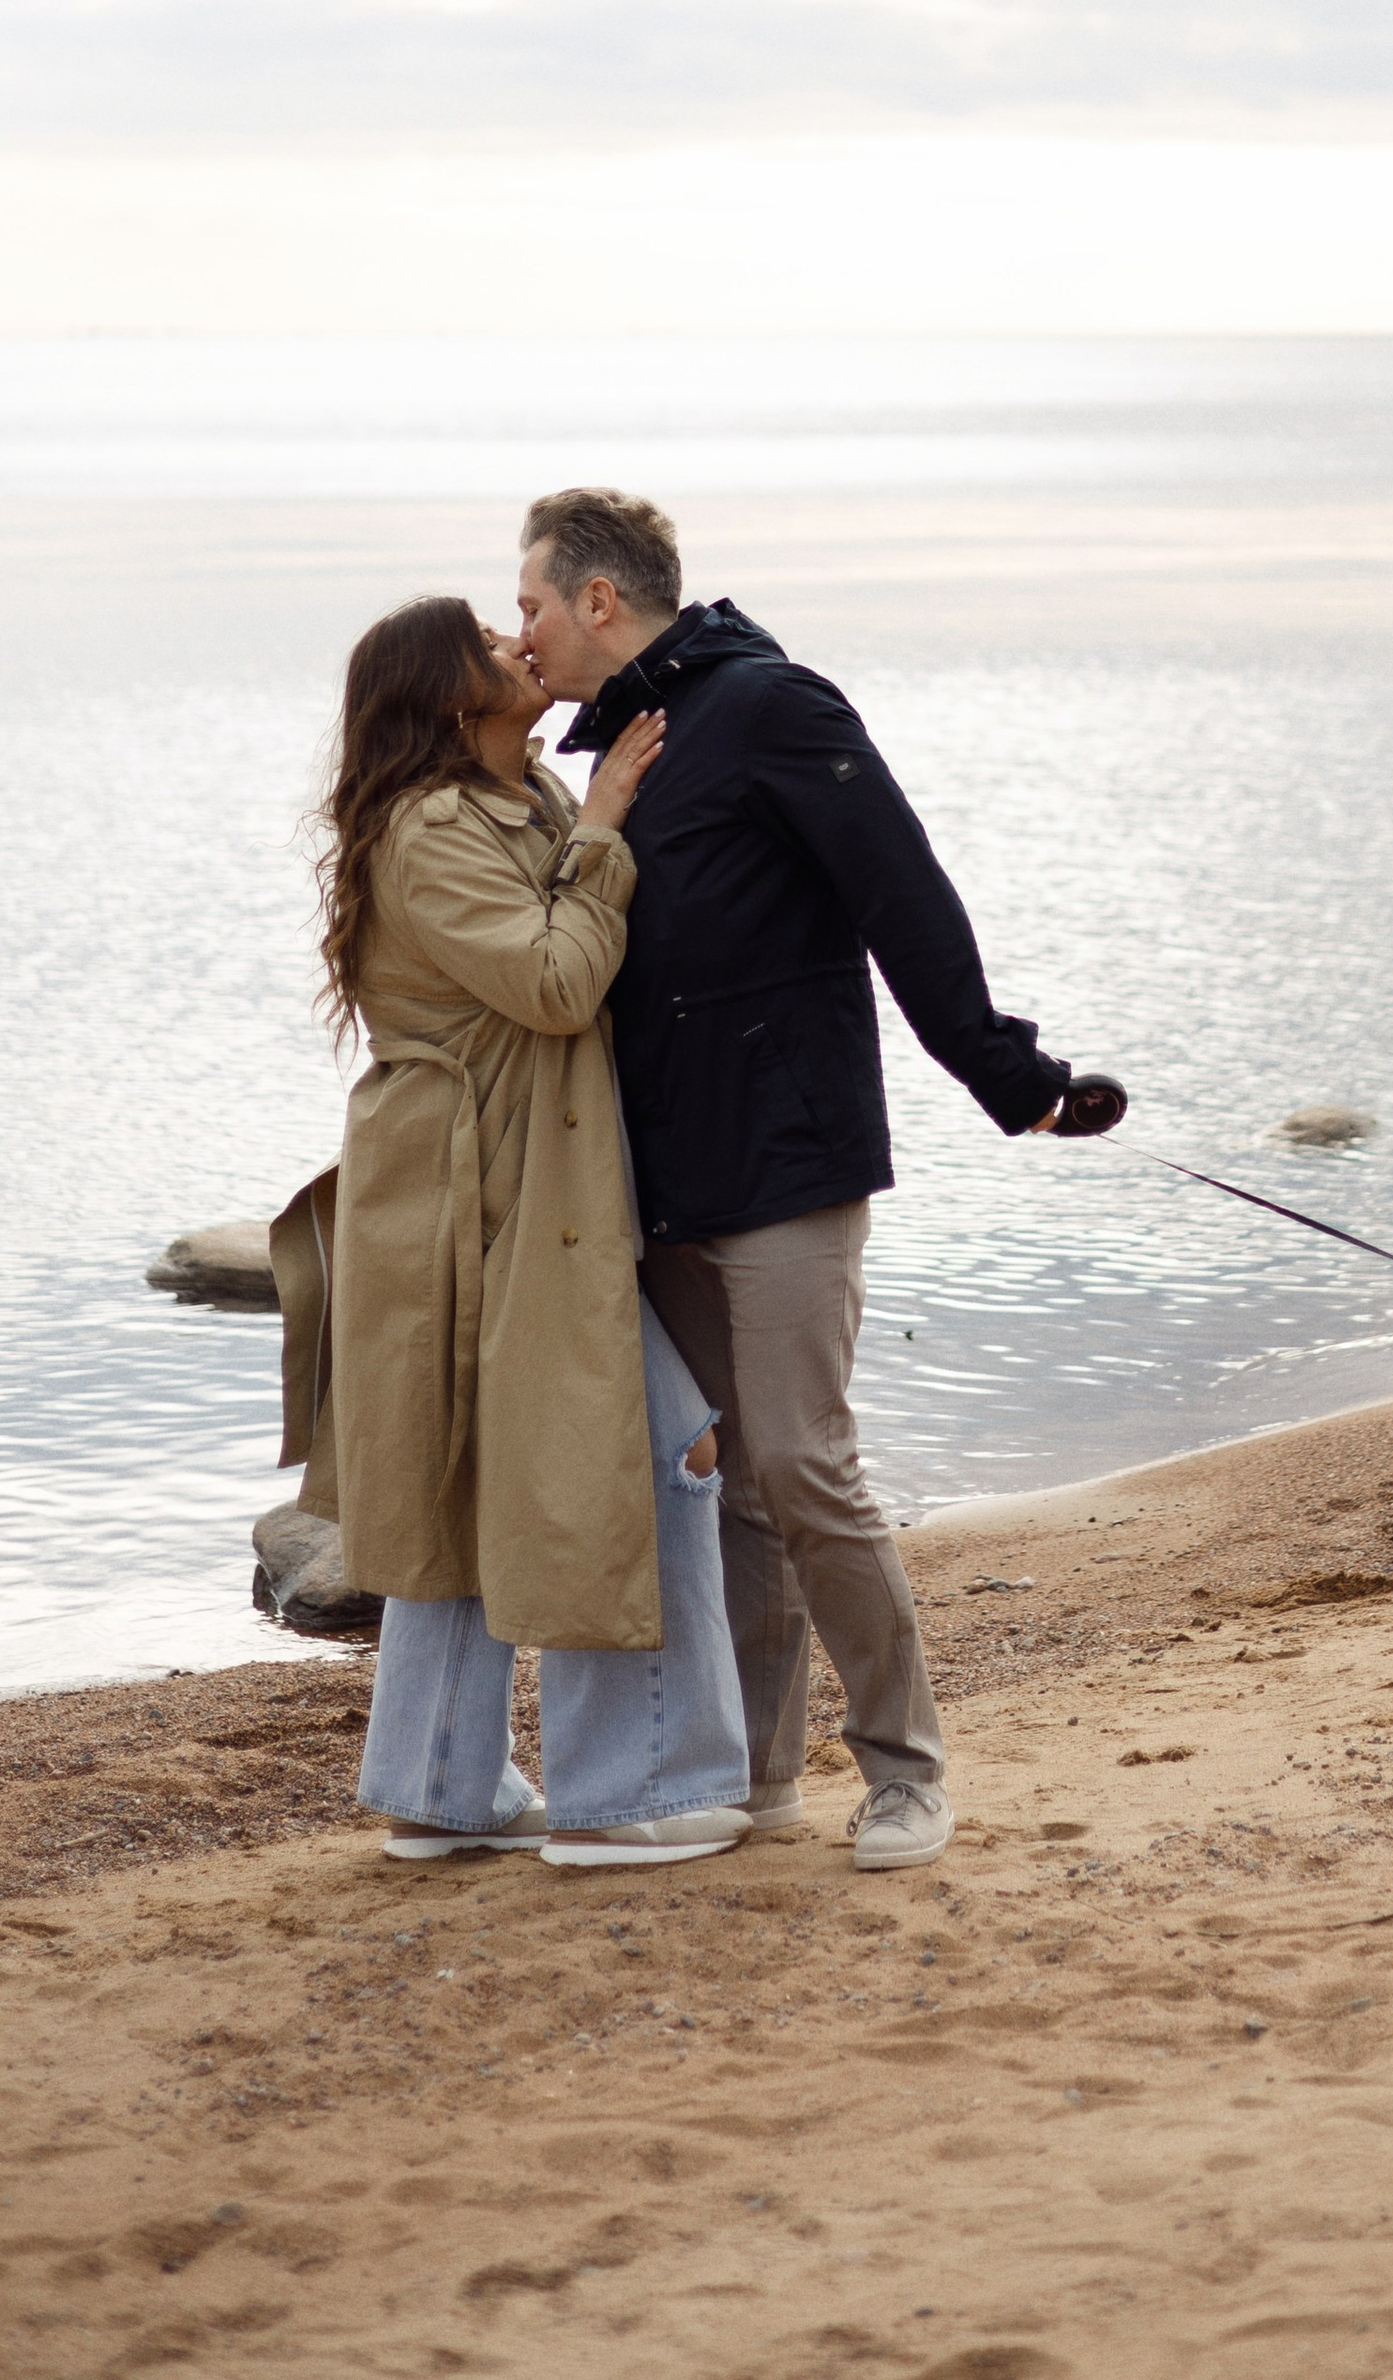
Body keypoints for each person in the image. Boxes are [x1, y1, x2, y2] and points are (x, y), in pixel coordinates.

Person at [515, 486, 1125, 1875]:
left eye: (535, 604)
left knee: (802, 1466)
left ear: (600, 600)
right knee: (727, 1488)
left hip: (787, 1164)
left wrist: (1011, 1078)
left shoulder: (774, 705)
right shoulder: (614, 752)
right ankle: (762, 1775)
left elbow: (901, 895)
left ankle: (908, 1772)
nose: (524, 632)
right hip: (656, 1182)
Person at [270, 593, 753, 1868]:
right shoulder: (435, 826)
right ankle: (625, 1791)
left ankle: (438, 1786)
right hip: (487, 1193)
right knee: (657, 1450)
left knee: (471, 1473)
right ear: (445, 696)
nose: (516, 644)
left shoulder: (516, 794)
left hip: (496, 1183)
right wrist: (602, 833)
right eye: (489, 641)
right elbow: (552, 983)